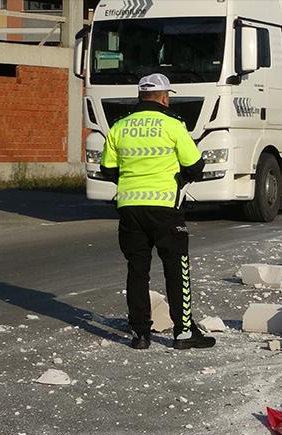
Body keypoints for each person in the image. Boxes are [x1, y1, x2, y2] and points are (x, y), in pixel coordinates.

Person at [100, 73, 215, 350]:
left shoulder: (119, 126)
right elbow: (196, 165)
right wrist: (180, 179)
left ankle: (140, 334)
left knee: (137, 270)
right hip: (165, 208)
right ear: (165, 98)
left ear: (140, 96)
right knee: (177, 269)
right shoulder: (172, 125)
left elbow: (107, 168)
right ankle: (184, 332)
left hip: (130, 208)